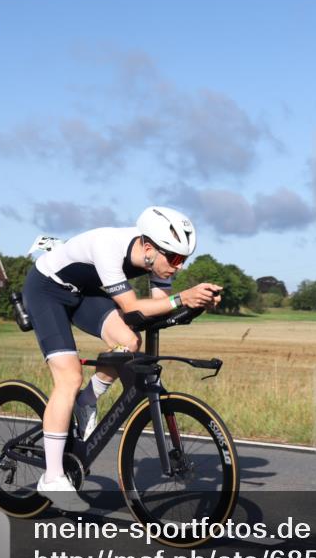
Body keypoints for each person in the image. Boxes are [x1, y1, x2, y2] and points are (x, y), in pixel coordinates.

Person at [21, 206, 222, 511]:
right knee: (69, 377)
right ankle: (52, 477)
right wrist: (183, 297)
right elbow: (131, 308)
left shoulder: (156, 263)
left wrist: (196, 305)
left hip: (82, 293)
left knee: (128, 341)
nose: (179, 267)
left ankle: (87, 400)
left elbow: (156, 309)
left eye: (185, 259)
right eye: (176, 258)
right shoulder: (109, 248)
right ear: (149, 247)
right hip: (46, 289)